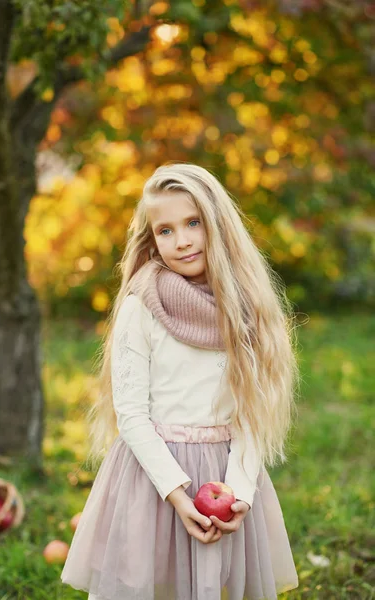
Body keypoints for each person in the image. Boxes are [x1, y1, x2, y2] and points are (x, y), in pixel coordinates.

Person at [60, 163, 300, 600]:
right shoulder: (143, 306)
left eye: (193, 223)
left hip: (225, 473)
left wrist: (241, 493)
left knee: (215, 586)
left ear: (217, 226)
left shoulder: (245, 309)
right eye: (165, 230)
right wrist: (177, 495)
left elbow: (251, 412)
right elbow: (132, 415)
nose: (182, 240)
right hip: (155, 477)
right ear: (151, 240)